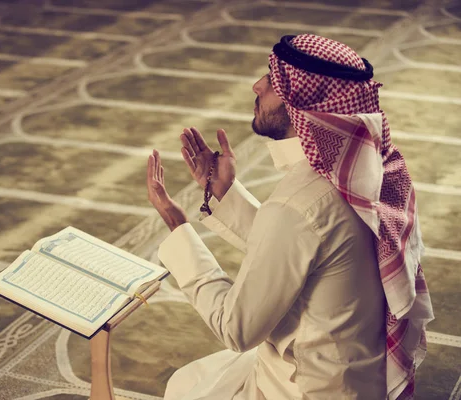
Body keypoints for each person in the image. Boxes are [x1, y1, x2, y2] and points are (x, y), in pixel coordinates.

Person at [145, 34, 434, 400]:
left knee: (186, 387)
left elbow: (236, 329)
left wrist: (177, 226)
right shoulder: (371, 168)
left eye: (272, 79)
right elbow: (302, 247)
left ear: (303, 101)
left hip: (302, 389)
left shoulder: (297, 203)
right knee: (192, 380)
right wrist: (224, 193)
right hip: (361, 379)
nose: (258, 85)